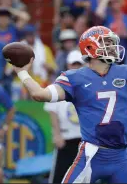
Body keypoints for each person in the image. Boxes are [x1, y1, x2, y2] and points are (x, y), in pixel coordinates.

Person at [11, 26, 127, 183]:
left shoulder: (126, 73)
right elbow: (40, 95)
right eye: (107, 43)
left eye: (112, 43)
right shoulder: (74, 78)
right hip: (92, 155)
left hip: (121, 157)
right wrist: (23, 72)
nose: (113, 47)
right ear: (90, 48)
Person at [44, 50, 85, 183]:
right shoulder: (59, 85)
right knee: (59, 175)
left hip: (85, 139)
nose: (76, 68)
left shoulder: (89, 85)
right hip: (66, 138)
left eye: (79, 64)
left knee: (86, 176)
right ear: (68, 65)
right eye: (74, 65)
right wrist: (56, 134)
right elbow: (52, 110)